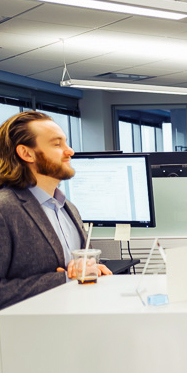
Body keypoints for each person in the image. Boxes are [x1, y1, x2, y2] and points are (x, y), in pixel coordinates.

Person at [0, 111, 111, 310]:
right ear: (26, 153)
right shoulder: (5, 209)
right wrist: (63, 279)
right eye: (57, 144)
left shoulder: (68, 209)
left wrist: (92, 270)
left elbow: (79, 271)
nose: (70, 151)